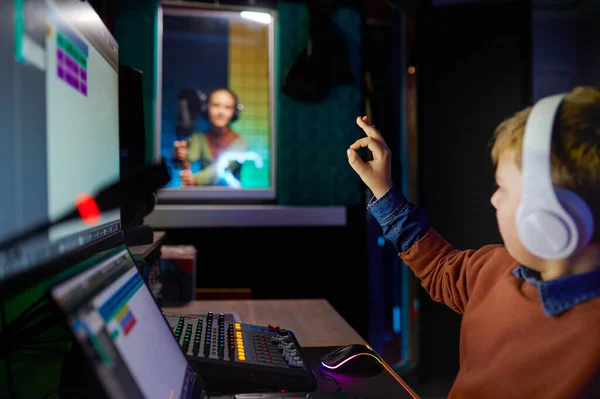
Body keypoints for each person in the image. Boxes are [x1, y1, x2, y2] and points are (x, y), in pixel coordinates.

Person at [347, 86, 600, 398]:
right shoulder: (496, 268)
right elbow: (439, 265)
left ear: (549, 215)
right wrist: (383, 190)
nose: (494, 199)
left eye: (503, 188)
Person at [174, 88, 249, 186]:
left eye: (227, 107)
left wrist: (196, 179)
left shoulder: (241, 143)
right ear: (206, 107)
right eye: (216, 105)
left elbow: (221, 168)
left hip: (231, 198)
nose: (221, 112)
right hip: (204, 198)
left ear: (234, 112)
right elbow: (187, 160)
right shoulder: (199, 138)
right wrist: (180, 155)